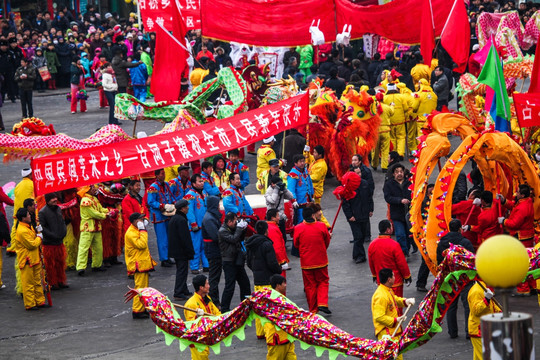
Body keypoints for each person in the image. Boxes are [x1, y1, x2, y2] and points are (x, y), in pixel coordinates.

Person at [437, 219, 474, 339]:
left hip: (450, 277)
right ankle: (469, 331)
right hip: (464, 277)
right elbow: (472, 260)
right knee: (467, 304)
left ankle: (453, 331)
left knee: (451, 305)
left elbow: (439, 260)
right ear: (460, 229)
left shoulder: (442, 242)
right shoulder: (466, 243)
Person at [245, 220, 283, 339]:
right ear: (266, 230)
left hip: (257, 280)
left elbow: (249, 262)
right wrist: (278, 269)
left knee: (258, 307)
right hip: (267, 280)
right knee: (268, 309)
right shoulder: (267, 244)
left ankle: (260, 332)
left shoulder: (251, 244)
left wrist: (256, 270)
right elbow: (272, 262)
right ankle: (269, 333)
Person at [293, 207, 331, 314]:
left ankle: (313, 309)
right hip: (321, 260)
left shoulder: (298, 228)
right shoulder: (321, 226)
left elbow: (296, 244)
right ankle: (322, 302)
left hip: (306, 262)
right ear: (313, 215)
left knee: (310, 286)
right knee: (323, 281)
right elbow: (326, 241)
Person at [499, 184, 535, 296]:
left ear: (522, 195)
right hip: (526, 236)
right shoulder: (526, 201)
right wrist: (504, 201)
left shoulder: (522, 207)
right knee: (528, 262)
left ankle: (523, 288)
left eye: (518, 192)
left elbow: (514, 223)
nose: (516, 193)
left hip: (520, 238)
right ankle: (532, 285)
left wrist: (503, 221)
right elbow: (514, 206)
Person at [371, 268, 415, 359]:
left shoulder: (386, 290)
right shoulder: (380, 296)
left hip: (393, 332)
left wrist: (405, 301)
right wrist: (395, 320)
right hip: (387, 333)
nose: (395, 277)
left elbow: (394, 299)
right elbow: (379, 317)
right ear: (389, 279)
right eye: (393, 275)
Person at [15, 208, 48, 310]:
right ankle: (30, 304)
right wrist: (39, 237)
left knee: (37, 281)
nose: (30, 216)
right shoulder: (22, 231)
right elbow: (32, 245)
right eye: (28, 215)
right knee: (28, 284)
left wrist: (37, 230)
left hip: (34, 258)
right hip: (27, 260)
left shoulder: (28, 227)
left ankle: (40, 301)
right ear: (23, 218)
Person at [125, 212, 156, 319]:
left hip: (142, 263)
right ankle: (137, 310)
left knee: (144, 288)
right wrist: (143, 230)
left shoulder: (135, 230)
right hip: (137, 264)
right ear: (135, 222)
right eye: (140, 220)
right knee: (140, 288)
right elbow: (142, 244)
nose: (142, 221)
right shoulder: (131, 233)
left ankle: (142, 308)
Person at [368, 220, 411, 299]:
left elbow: (371, 263)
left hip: (381, 281)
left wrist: (374, 275)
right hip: (395, 281)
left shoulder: (372, 245)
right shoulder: (394, 245)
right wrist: (407, 276)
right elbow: (402, 263)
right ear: (388, 230)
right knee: (397, 305)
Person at [218, 212, 251, 312]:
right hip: (229, 262)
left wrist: (243, 229)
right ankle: (224, 308)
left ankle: (246, 306)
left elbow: (239, 238)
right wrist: (239, 229)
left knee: (245, 283)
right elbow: (233, 239)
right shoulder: (222, 231)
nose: (236, 223)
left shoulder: (232, 228)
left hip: (237, 260)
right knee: (230, 286)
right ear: (229, 222)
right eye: (235, 221)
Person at [184, 274, 221, 360]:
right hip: (197, 339)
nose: (209, 286)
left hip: (206, 336)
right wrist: (197, 317)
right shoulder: (190, 304)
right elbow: (191, 325)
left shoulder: (207, 298)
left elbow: (216, 313)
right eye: (207, 284)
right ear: (201, 287)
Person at [76, 185, 109, 276]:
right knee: (84, 248)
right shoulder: (85, 200)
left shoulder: (94, 199)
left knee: (98, 247)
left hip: (96, 227)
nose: (96, 189)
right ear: (88, 189)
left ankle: (97, 265)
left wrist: (109, 210)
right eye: (94, 187)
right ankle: (80, 267)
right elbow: (93, 213)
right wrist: (106, 215)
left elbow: (100, 209)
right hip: (88, 227)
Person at [38, 192, 68, 290]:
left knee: (60, 263)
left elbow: (62, 222)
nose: (55, 200)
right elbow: (42, 228)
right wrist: (53, 236)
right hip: (49, 244)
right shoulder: (42, 212)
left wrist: (64, 232)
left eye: (55, 198)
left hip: (59, 242)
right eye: (52, 198)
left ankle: (61, 281)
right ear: (47, 200)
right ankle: (52, 283)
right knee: (51, 265)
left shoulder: (58, 209)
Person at [344, 166, 374, 263]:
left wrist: (370, 209)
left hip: (364, 214)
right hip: (354, 216)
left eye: (359, 173)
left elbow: (369, 197)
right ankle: (360, 256)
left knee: (361, 236)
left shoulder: (365, 183)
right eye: (356, 173)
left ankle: (356, 254)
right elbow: (345, 203)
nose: (358, 175)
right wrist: (349, 216)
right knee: (358, 236)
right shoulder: (348, 186)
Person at [147, 169, 175, 267]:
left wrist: (174, 203)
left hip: (167, 214)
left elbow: (170, 196)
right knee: (162, 238)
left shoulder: (166, 184)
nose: (164, 175)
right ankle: (164, 259)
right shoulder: (152, 188)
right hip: (159, 216)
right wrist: (161, 205)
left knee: (168, 237)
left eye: (164, 174)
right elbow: (150, 202)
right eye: (162, 174)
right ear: (157, 175)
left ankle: (168, 256)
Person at [383, 163, 413, 256]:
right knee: (400, 234)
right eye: (397, 172)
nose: (399, 174)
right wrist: (400, 200)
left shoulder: (409, 183)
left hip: (409, 214)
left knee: (408, 235)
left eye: (401, 172)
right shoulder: (389, 185)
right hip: (396, 214)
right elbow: (388, 198)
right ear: (393, 174)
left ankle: (407, 249)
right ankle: (403, 252)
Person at [168, 199, 195, 300]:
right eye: (186, 206)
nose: (188, 208)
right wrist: (189, 251)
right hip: (181, 251)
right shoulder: (181, 220)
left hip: (176, 250)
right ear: (182, 209)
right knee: (182, 271)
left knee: (182, 270)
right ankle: (178, 292)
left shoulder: (175, 218)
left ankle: (183, 289)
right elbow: (185, 238)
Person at [468, 280, 501, 360]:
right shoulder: (476, 291)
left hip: (484, 328)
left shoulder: (484, 288)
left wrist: (501, 312)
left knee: (479, 357)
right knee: (485, 357)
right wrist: (486, 299)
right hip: (479, 329)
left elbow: (492, 306)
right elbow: (475, 310)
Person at [266, 275, 297, 359]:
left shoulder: (281, 299)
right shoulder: (271, 300)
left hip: (287, 338)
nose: (285, 285)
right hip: (277, 340)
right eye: (283, 283)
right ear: (278, 285)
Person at [184, 174, 209, 274]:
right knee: (196, 246)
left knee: (205, 246)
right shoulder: (189, 195)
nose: (202, 183)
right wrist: (193, 223)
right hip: (196, 226)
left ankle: (206, 265)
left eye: (202, 181)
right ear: (194, 183)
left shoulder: (204, 193)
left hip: (204, 225)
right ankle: (194, 267)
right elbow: (189, 212)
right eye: (199, 181)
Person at [202, 196, 223, 308]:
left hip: (214, 249)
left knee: (215, 275)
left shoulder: (211, 216)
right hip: (213, 250)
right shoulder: (209, 219)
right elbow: (215, 236)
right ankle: (214, 301)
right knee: (214, 277)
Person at [383, 83, 412, 157]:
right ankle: (401, 153)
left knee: (392, 137)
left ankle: (394, 153)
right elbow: (405, 108)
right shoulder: (401, 97)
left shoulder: (384, 98)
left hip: (390, 120)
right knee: (401, 137)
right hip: (400, 121)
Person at [287, 154, 314, 224]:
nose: (302, 163)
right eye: (300, 162)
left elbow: (310, 183)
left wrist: (312, 195)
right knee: (300, 220)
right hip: (299, 202)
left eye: (303, 161)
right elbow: (290, 189)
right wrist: (294, 200)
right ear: (295, 163)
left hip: (307, 200)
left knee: (309, 218)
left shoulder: (305, 170)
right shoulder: (293, 174)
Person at [265, 209, 290, 278]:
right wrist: (283, 262)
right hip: (277, 263)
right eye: (278, 216)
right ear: (273, 218)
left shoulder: (268, 226)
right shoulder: (273, 228)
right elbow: (277, 247)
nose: (279, 218)